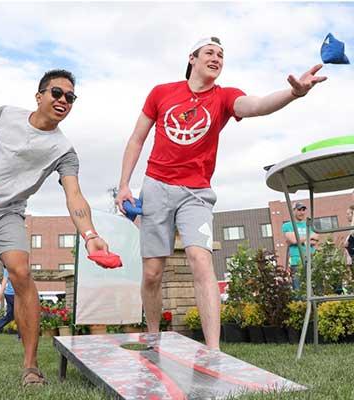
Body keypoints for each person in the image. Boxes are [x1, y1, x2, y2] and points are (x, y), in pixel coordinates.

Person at [115, 36, 326, 350]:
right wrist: (123, 185)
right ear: (192, 58)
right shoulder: (161, 93)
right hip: (156, 185)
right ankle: (153, 336)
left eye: (221, 55)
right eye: (210, 53)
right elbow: (136, 139)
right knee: (152, 272)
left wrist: (293, 94)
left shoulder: (224, 97)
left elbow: (255, 105)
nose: (216, 58)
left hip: (196, 193)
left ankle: (213, 350)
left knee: (201, 261)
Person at [0, 69, 108, 387]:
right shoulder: (5, 115)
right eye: (56, 93)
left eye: (70, 97)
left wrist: (90, 235)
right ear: (39, 96)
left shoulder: (63, 151)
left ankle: (31, 367)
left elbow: (74, 195)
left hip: (8, 214)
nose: (63, 100)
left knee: (21, 273)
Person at [282, 201, 319, 290]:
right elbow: (293, 240)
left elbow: (316, 239)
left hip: (312, 258)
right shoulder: (287, 225)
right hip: (296, 261)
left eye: (303, 210)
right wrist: (308, 238)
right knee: (299, 289)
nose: (301, 212)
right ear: (293, 210)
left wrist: (299, 240)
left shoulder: (309, 224)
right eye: (299, 210)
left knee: (315, 287)